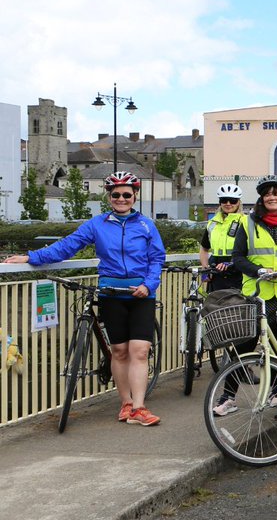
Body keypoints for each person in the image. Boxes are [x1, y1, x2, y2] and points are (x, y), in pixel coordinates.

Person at [5, 171, 166, 426]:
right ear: (109, 197)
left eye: (126, 194)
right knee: (119, 351)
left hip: (141, 294)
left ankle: (139, 407)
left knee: (140, 350)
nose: (121, 199)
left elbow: (157, 258)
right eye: (116, 194)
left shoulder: (147, 225)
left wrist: (149, 285)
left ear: (135, 196)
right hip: (110, 294)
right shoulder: (97, 224)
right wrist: (31, 257)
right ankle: (126, 404)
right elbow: (67, 246)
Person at [216, 175, 277, 415]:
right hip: (256, 294)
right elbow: (238, 258)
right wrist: (259, 270)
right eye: (267, 194)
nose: (271, 197)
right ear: (261, 199)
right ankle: (228, 397)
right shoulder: (248, 224)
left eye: (275, 193)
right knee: (243, 345)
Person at [199, 183, 245, 293]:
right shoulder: (212, 223)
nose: (228, 204)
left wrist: (233, 262)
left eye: (233, 201)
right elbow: (204, 248)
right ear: (220, 202)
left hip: (238, 272)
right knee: (214, 302)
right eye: (224, 200)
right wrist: (205, 269)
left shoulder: (245, 222)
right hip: (216, 272)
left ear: (239, 202)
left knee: (237, 302)